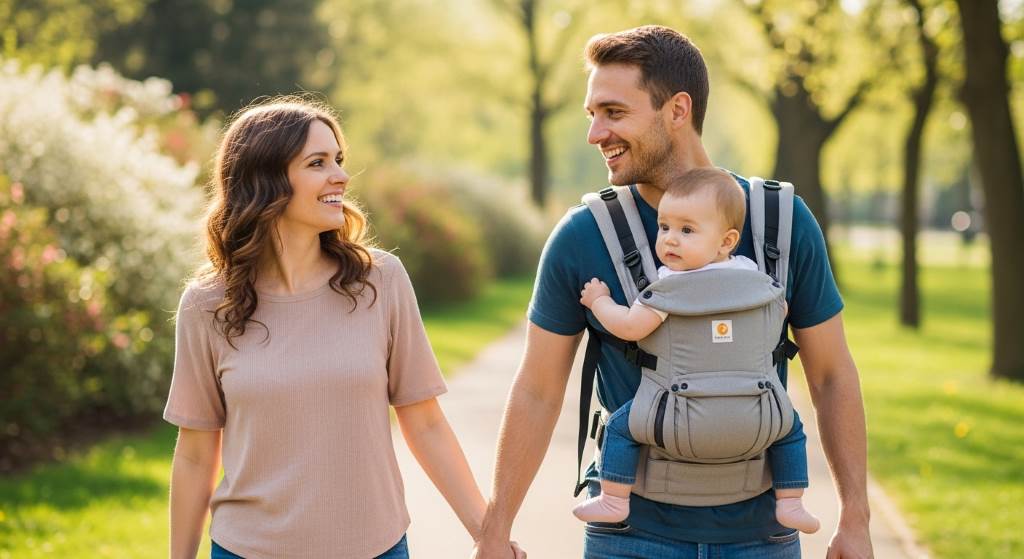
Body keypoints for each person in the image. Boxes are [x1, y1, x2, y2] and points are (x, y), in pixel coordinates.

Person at [472, 25, 872, 558]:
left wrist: (856, 518)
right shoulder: (582, 237)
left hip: (762, 537)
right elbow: (537, 391)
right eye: (591, 115)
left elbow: (831, 374)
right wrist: (494, 531)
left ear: (677, 110)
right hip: (631, 537)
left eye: (613, 113)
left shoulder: (781, 222)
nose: (595, 133)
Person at [165, 98, 523, 559]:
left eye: (338, 159)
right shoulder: (209, 305)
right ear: (265, 181)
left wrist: (486, 533)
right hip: (246, 549)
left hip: (376, 547)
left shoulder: (380, 281)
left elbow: (426, 422)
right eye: (317, 163)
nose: (340, 176)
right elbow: (195, 454)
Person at [570, 168, 820, 535]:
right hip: (755, 409)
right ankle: (791, 501)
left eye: (686, 230)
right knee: (791, 429)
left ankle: (614, 498)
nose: (670, 240)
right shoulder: (753, 276)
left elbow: (628, 327)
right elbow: (778, 313)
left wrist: (599, 300)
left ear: (726, 241)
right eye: (665, 226)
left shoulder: (669, 286)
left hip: (672, 413)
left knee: (620, 428)